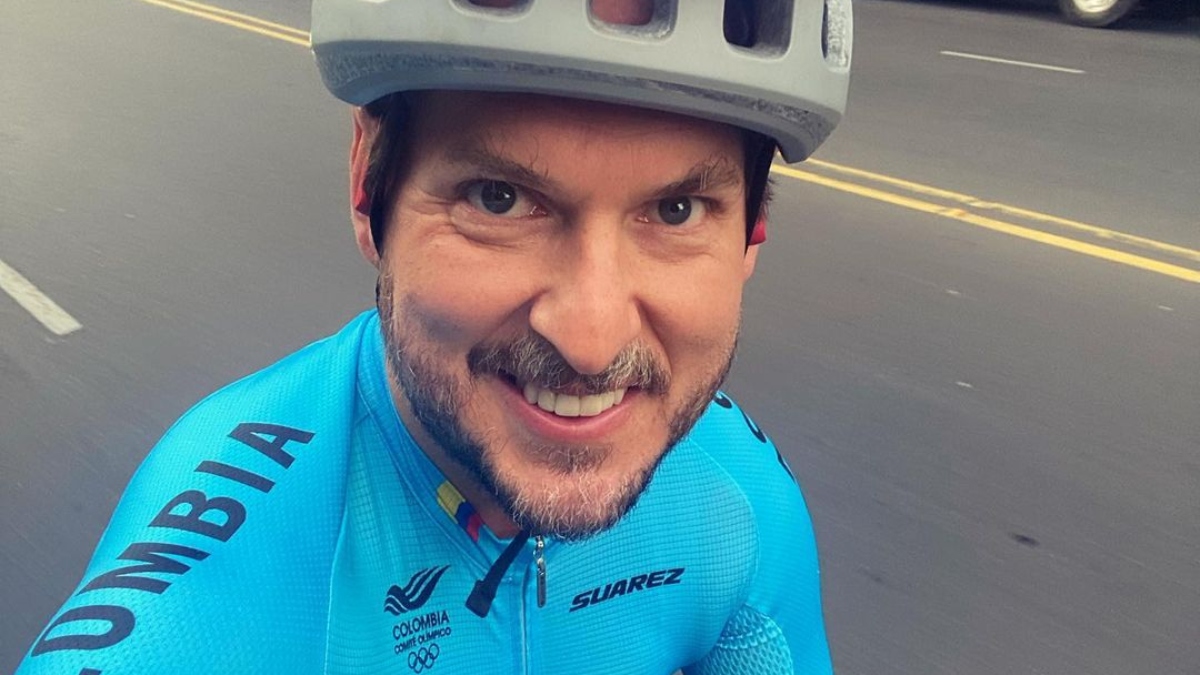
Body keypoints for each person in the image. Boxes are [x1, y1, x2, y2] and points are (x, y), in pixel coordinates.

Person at [17, 0, 852, 672]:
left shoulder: (739, 498)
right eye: (498, 199)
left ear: (752, 233)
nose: (592, 342)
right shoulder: (193, 615)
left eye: (675, 210)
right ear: (367, 186)